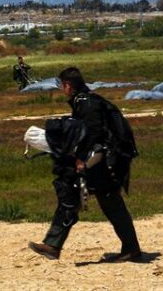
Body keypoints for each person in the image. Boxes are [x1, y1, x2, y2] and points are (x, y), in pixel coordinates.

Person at [29, 66, 141, 262]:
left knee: (108, 202)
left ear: (67, 85)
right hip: (100, 160)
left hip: (103, 162)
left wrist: (81, 159)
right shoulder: (85, 101)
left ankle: (131, 249)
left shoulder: (87, 104)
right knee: (74, 197)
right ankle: (53, 246)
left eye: (62, 86)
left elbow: (94, 133)